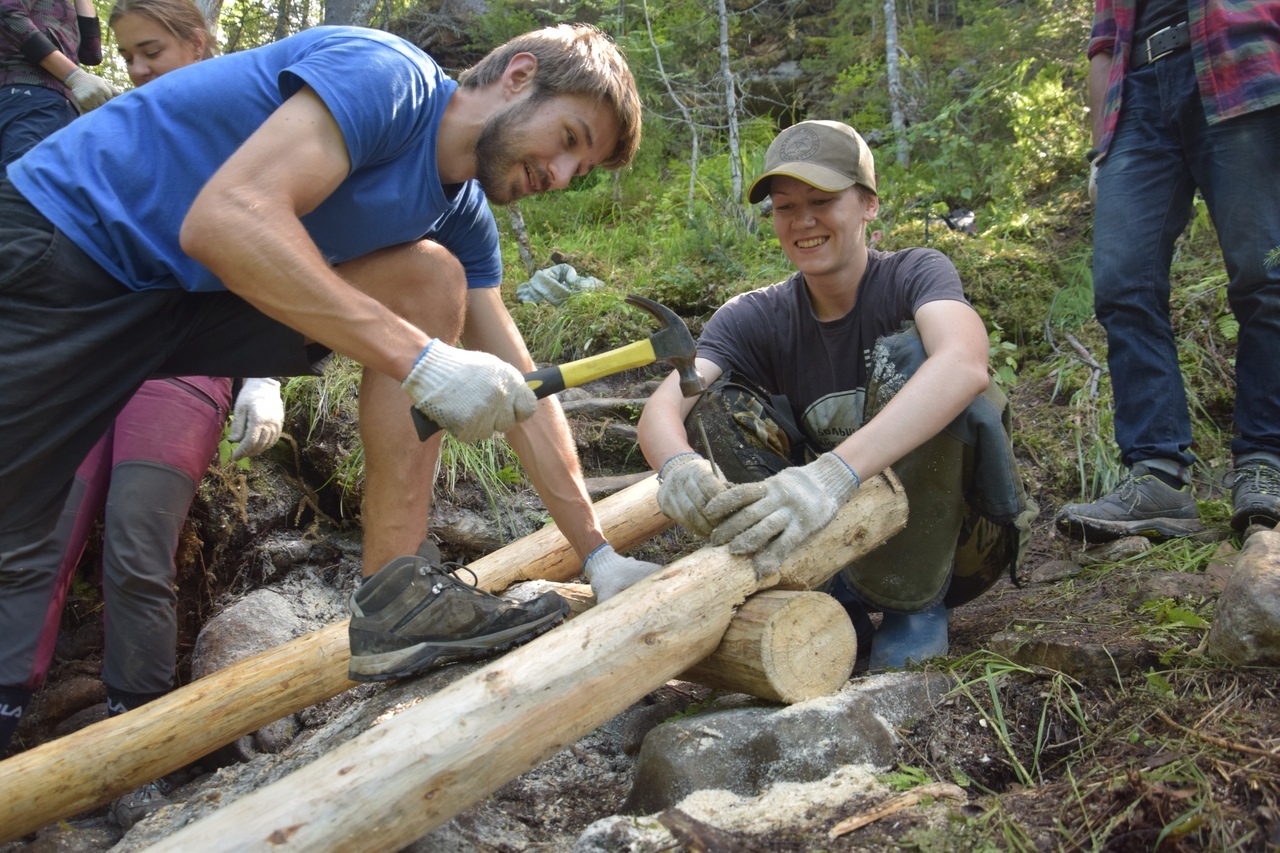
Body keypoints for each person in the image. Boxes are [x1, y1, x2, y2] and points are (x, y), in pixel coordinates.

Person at [0, 22, 657, 762]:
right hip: (61, 247)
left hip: (181, 300)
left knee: (430, 279)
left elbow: (524, 387)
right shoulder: (389, 79)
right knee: (12, 532)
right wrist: (427, 364)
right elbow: (227, 218)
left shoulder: (459, 216)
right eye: (569, 138)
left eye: (583, 167)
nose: (564, 174)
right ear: (517, 76)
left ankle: (393, 598)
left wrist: (600, 555)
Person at [3, 0, 285, 826]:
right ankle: (9, 713)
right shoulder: (114, 121)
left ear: (202, 42)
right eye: (127, 53)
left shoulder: (261, 130)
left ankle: (140, 736)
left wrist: (266, 378)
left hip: (190, 361)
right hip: (94, 355)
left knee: (136, 529)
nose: (137, 68)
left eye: (153, 50)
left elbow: (282, 260)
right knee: (39, 528)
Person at [637, 120, 1037, 670]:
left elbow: (965, 363)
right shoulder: (753, 315)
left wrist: (832, 475)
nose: (803, 220)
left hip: (956, 547)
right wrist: (678, 465)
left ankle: (911, 603)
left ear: (869, 205)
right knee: (710, 406)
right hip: (822, 537)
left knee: (927, 361)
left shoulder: (914, 274)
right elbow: (666, 406)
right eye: (784, 207)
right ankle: (823, 590)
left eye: (823, 200)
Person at [1055, 0, 1280, 542]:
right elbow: (1104, 43)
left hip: (1244, 69)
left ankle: (1265, 462)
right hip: (1135, 99)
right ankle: (1157, 476)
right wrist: (1098, 152)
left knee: (1264, 277)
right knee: (1121, 285)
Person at [1, 0, 118, 171]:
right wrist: (74, 77)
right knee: (24, 184)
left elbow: (91, 53)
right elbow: (8, 12)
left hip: (49, 103)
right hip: (30, 96)